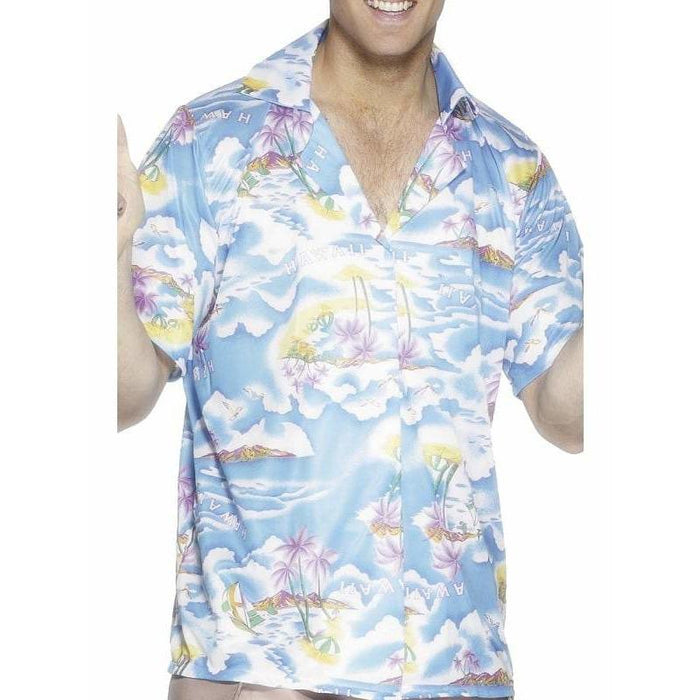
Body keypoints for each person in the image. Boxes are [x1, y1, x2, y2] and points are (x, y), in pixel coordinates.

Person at [117, 2, 584, 699]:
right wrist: (105, 252)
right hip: (261, 682)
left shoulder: (512, 172)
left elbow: (567, 416)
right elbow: (121, 395)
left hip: (459, 675)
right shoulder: (209, 143)